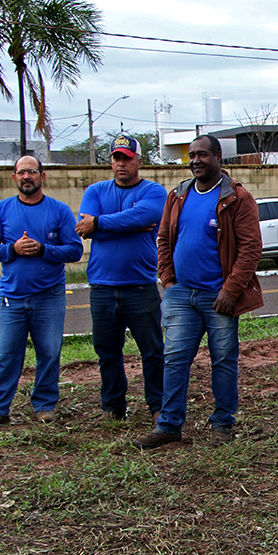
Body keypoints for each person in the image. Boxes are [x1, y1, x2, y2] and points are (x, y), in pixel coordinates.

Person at [133, 135, 263, 449]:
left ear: (218, 157)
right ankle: (169, 425)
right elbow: (163, 239)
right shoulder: (177, 195)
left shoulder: (236, 197)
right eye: (191, 155)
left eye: (202, 155)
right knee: (175, 360)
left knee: (223, 361)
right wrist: (168, 280)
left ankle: (221, 425)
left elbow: (250, 248)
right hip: (180, 295)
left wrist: (230, 290)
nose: (195, 161)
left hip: (219, 297)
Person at [0, 155, 84, 430]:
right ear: (14, 178)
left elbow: (74, 250)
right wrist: (12, 249)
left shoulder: (58, 211)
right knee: (5, 355)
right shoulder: (1, 210)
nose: (27, 177)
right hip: (10, 297)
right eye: (21, 172)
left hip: (49, 296)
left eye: (32, 172)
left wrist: (43, 250)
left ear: (42, 176)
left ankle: (45, 406)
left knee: (49, 352)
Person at [75, 134, 167, 421]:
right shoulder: (95, 191)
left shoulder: (154, 191)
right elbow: (84, 228)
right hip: (102, 287)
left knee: (152, 351)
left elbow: (145, 216)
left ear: (139, 160)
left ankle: (157, 406)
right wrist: (130, 224)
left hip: (140, 286)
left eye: (127, 158)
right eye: (116, 158)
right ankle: (113, 407)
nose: (121, 163)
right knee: (107, 352)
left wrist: (100, 222)